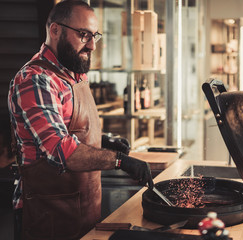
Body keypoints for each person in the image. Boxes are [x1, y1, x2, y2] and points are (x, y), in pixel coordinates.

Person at [7, 1, 153, 239]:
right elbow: (58, 150)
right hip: (48, 217)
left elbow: (68, 130)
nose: (92, 46)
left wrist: (103, 142)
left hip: (83, 213)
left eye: (95, 35)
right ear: (55, 30)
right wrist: (120, 161)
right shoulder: (36, 80)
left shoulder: (73, 75)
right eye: (84, 35)